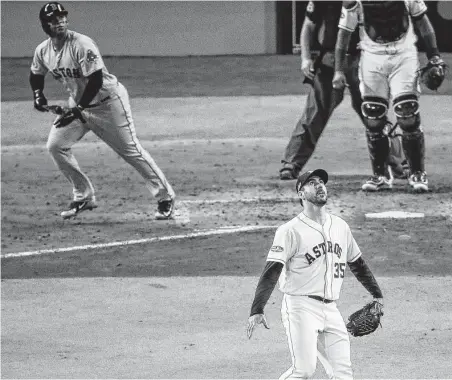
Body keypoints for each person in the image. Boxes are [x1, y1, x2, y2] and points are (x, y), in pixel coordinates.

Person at [30, 2, 176, 219]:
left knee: (130, 150)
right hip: (79, 106)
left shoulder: (82, 44)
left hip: (108, 104)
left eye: (62, 17)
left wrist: (78, 108)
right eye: (54, 19)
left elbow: (96, 80)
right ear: (46, 24)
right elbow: (36, 74)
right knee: (56, 145)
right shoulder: (43, 50)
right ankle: (83, 196)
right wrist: (38, 95)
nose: (59, 22)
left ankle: (165, 197)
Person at [247, 169, 384, 379]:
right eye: (312, 183)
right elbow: (272, 270)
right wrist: (257, 309)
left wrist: (376, 293)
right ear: (301, 194)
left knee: (343, 373)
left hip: (331, 309)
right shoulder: (290, 230)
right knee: (304, 370)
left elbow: (357, 263)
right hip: (300, 307)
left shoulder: (340, 226)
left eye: (321, 182)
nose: (320, 185)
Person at [279, 1, 408, 188]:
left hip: (364, 59)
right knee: (315, 113)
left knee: (374, 113)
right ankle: (291, 163)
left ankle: (399, 163)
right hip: (329, 60)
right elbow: (309, 25)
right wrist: (305, 58)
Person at [333, 0, 445, 192]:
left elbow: (422, 21)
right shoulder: (354, 2)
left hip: (404, 55)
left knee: (407, 114)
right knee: (373, 116)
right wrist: (338, 71)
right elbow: (343, 35)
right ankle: (380, 175)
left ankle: (417, 173)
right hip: (372, 57)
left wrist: (433, 54)